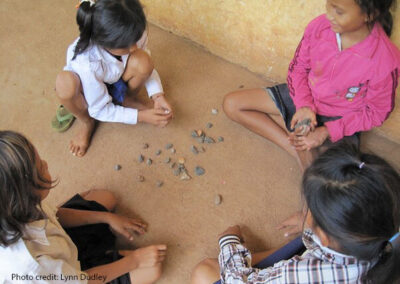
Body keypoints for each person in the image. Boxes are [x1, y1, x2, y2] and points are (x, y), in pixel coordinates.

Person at [223, 0, 400, 171]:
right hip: (304, 96)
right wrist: (304, 105)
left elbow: (376, 112)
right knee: (232, 104)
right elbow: (298, 69)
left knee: (328, 180)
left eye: (339, 11)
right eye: (329, 5)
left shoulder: (385, 60)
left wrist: (326, 131)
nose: (329, 15)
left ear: (370, 14)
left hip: (340, 119)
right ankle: (295, 147)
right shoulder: (319, 27)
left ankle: (302, 144)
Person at [191, 141, 400, 284]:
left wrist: (228, 241)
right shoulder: (385, 234)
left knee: (204, 271)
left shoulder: (299, 275)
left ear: (325, 236)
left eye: (311, 207)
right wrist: (313, 221)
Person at [0, 130, 167, 283]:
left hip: (59, 247)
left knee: (105, 198)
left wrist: (107, 217)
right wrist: (135, 260)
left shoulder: (14, 205)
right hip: (73, 278)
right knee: (153, 268)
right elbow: (84, 281)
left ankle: (102, 253)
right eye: (41, 168)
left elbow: (54, 214)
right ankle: (104, 257)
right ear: (23, 195)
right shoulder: (32, 268)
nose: (46, 163)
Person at [56, 0, 173, 157]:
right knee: (65, 85)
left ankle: (125, 98)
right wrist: (140, 117)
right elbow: (99, 109)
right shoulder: (87, 63)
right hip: (88, 92)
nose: (134, 48)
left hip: (114, 77)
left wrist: (157, 95)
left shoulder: (132, 31)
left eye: (136, 39)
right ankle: (87, 122)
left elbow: (142, 58)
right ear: (102, 43)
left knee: (143, 60)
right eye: (126, 46)